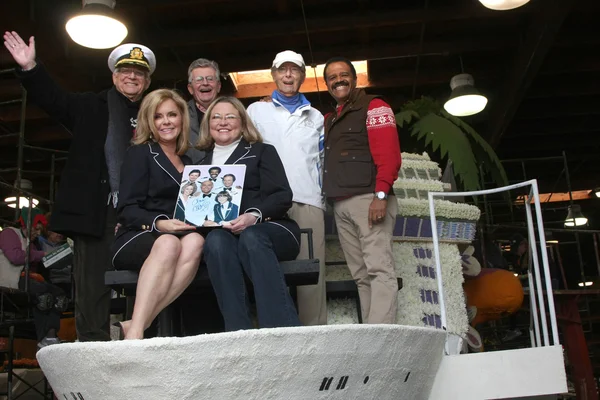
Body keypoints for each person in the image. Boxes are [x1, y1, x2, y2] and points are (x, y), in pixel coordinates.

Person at [3, 31, 156, 342]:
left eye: (139, 74)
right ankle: (93, 344)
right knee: (93, 282)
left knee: (150, 275)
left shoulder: (156, 113)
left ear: (147, 82)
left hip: (144, 209)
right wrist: (31, 69)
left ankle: (144, 339)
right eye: (126, 71)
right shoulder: (91, 106)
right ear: (114, 76)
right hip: (99, 209)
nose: (132, 77)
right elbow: (54, 100)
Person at [196, 96, 301, 331]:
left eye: (230, 117)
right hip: (226, 234)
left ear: (243, 123)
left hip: (271, 229)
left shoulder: (262, 151)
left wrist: (253, 215)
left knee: (251, 236)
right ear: (208, 124)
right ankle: (237, 332)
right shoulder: (200, 166)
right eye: (216, 117)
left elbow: (282, 196)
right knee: (215, 242)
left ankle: (282, 329)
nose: (223, 122)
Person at [110, 89, 205, 339]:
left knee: (196, 241)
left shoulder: (190, 163)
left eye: (172, 115)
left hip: (178, 236)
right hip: (137, 235)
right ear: (149, 122)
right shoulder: (140, 153)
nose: (166, 122)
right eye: (158, 116)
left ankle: (137, 323)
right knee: (168, 243)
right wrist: (159, 224)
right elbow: (127, 209)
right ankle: (137, 335)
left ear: (182, 119)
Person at [248, 50, 326, 326]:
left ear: (303, 76)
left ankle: (314, 334)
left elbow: (322, 160)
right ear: (274, 74)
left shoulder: (316, 116)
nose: (288, 75)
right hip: (266, 202)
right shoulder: (256, 110)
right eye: (283, 70)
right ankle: (271, 333)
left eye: (294, 70)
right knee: (266, 269)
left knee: (311, 278)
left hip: (307, 200)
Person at [322, 57, 402, 324]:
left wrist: (381, 195)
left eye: (343, 74)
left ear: (355, 79)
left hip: (369, 199)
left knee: (379, 269)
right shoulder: (331, 118)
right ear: (327, 84)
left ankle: (383, 334)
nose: (338, 80)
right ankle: (372, 331)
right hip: (341, 205)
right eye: (332, 77)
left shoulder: (375, 106)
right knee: (361, 274)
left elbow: (390, 155)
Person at [0, 209, 67, 348]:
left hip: (24, 279)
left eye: (39, 230)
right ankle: (44, 337)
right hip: (9, 280)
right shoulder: (9, 233)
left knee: (57, 293)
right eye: (36, 229)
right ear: (26, 224)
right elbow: (15, 257)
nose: (37, 233)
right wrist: (41, 254)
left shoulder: (29, 242)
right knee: (42, 292)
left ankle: (50, 336)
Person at [186, 58, 222, 161]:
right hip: (191, 174)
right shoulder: (179, 114)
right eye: (199, 79)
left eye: (210, 79)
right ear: (190, 88)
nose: (205, 83)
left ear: (218, 86)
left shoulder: (234, 112)